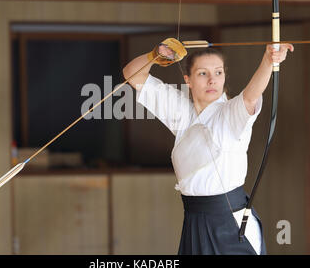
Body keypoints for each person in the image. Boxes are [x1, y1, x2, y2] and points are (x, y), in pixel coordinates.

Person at [122, 38, 294, 255]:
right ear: (188, 80)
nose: (212, 80)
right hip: (194, 219)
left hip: (229, 223)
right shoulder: (180, 109)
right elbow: (132, 74)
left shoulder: (231, 113)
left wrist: (268, 61)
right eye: (203, 73)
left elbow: (250, 98)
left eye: (218, 72)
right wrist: (154, 55)